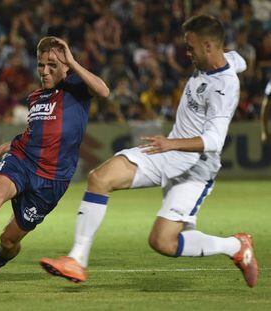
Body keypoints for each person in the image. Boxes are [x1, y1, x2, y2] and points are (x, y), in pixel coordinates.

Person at [40, 15, 259, 288]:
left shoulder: (223, 88)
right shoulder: (220, 60)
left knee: (162, 242)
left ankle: (235, 246)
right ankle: (77, 259)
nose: (186, 53)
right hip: (169, 152)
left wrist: (171, 143)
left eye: (190, 48)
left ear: (207, 46)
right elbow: (240, 59)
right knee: (99, 179)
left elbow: (214, 140)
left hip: (196, 166)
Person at [0, 36, 109, 285]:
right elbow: (33, 134)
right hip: (22, 160)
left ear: (65, 66)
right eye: (41, 65)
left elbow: (104, 91)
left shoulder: (77, 87)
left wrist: (73, 63)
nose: (44, 71)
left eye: (52, 65)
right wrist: (3, 148)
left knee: (9, 240)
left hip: (51, 180)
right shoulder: (35, 97)